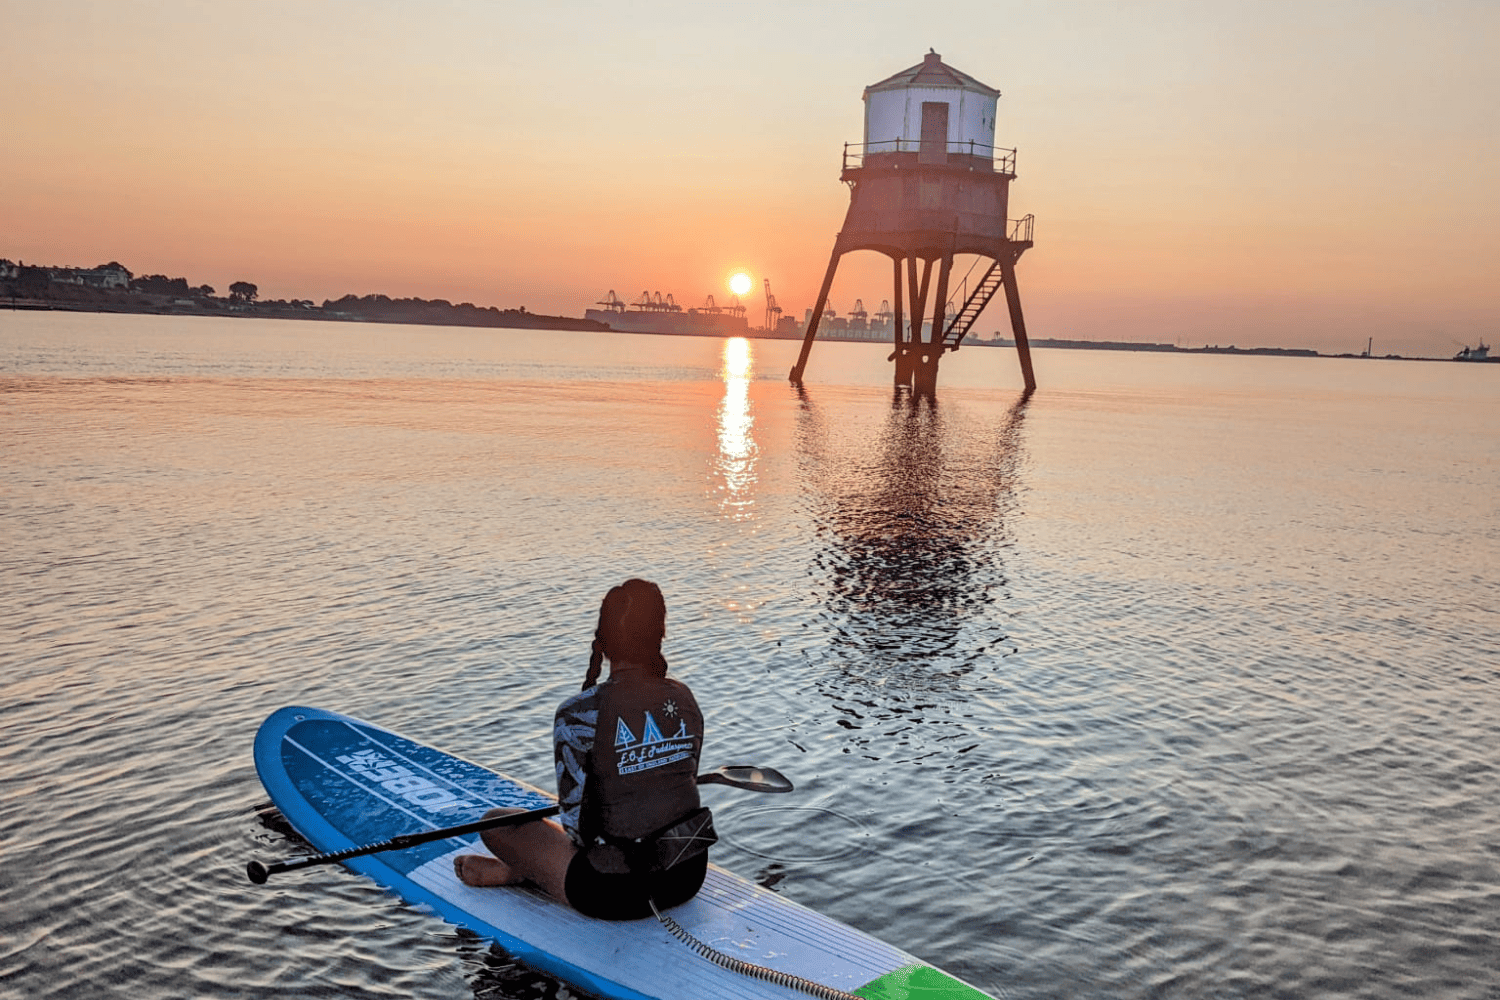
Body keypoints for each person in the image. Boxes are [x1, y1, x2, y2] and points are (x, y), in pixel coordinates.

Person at [453, 579, 710, 920]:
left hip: (612, 891)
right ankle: (531, 872)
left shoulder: (577, 712)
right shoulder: (684, 698)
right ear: (660, 634)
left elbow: (576, 829)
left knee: (495, 824)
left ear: (602, 643)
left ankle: (522, 873)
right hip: (687, 875)